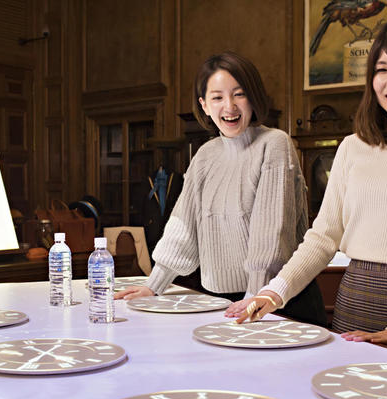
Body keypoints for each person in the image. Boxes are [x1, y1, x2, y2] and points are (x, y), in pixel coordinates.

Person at [225, 15, 387, 366]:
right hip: (356, 297)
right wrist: (274, 292)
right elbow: (323, 237)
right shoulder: (353, 146)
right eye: (381, 70)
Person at [115, 51, 326, 326]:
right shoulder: (205, 155)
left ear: (253, 97)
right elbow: (183, 226)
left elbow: (272, 231)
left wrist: (256, 293)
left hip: (275, 301)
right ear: (204, 105)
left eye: (239, 94)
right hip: (223, 301)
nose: (229, 107)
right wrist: (154, 284)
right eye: (217, 97)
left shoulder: (274, 144)